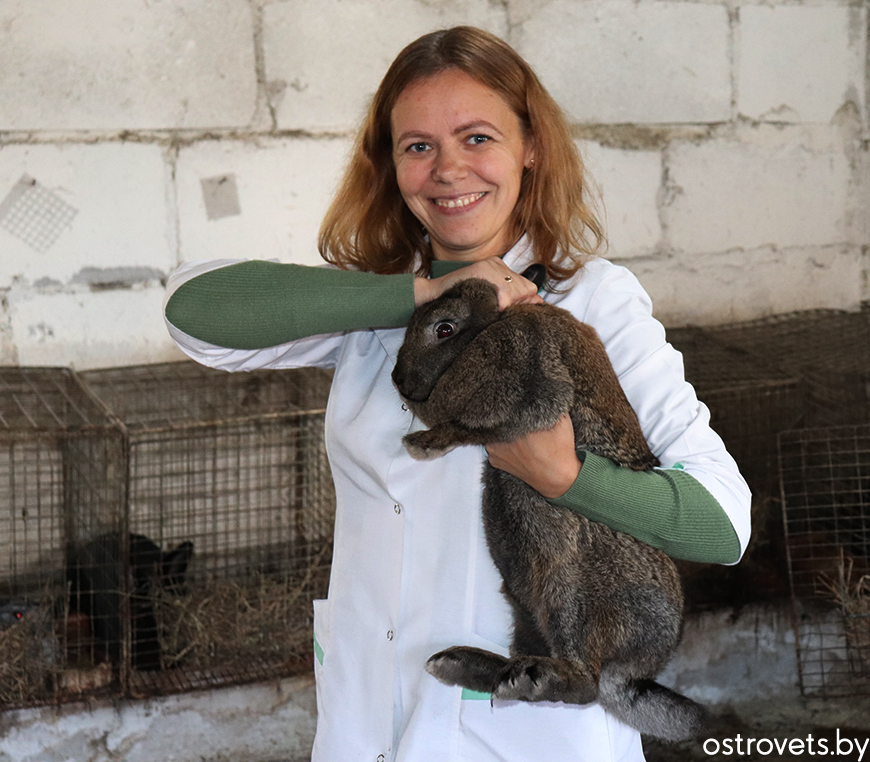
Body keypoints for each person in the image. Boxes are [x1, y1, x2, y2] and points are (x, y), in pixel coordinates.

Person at [164, 26, 750, 762]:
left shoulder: (589, 303)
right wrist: (426, 292)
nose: (447, 170)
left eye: (477, 138)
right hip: (367, 722)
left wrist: (565, 476)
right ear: (391, 166)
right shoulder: (376, 311)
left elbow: (723, 524)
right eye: (417, 147)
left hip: (527, 732)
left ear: (529, 146)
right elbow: (193, 314)